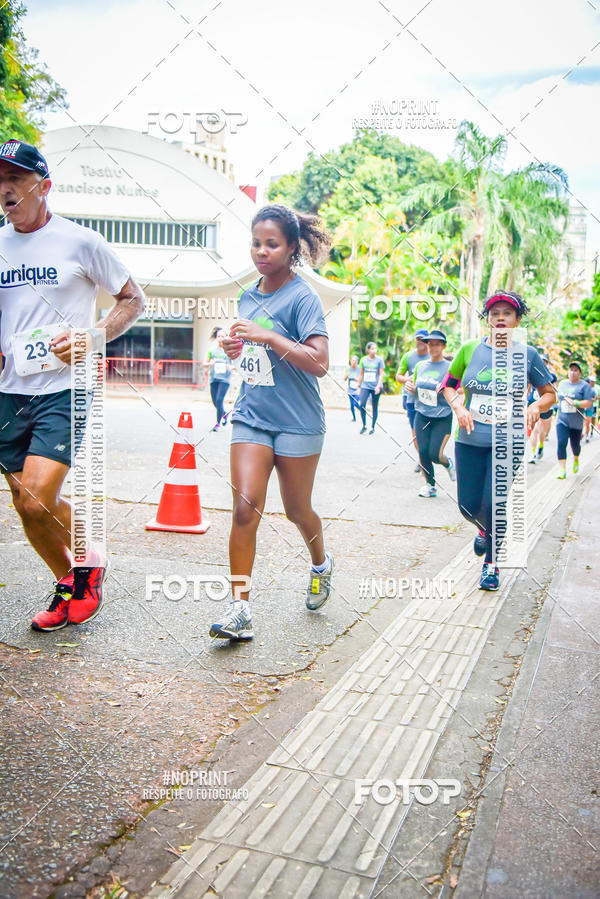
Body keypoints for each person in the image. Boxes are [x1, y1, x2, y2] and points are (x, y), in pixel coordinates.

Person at [0, 138, 145, 631]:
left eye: (14, 178)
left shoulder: (81, 242)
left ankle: (90, 557)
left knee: (38, 494)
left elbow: (132, 298)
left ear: (43, 186)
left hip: (65, 387)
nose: (4, 188)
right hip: (7, 389)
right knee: (25, 505)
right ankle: (73, 579)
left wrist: (94, 337)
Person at [209, 204, 332, 641]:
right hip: (252, 414)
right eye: (256, 243)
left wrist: (267, 336)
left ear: (292, 248)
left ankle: (320, 563)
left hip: (298, 421)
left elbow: (319, 363)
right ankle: (239, 609)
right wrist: (233, 346)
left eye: (272, 244)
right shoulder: (248, 295)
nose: (261, 251)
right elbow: (250, 354)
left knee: (298, 510)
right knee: (245, 508)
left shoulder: (303, 297)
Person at [443, 291, 554, 591]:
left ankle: (491, 564)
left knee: (495, 503)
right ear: (488, 321)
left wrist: (535, 406)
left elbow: (549, 393)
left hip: (509, 440)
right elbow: (448, 386)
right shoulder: (469, 350)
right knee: (468, 507)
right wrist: (458, 406)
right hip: (469, 438)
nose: (500, 318)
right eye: (494, 314)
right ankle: (483, 530)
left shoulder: (528, 354)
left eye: (507, 313)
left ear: (517, 320)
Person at [413, 330, 456, 498]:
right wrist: (411, 388)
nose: (433, 347)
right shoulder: (421, 366)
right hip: (422, 414)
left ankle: (448, 463)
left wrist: (446, 388)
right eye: (430, 344)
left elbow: (459, 389)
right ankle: (430, 485)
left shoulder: (450, 367)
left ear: (443, 346)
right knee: (423, 452)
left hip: (442, 416)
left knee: (435, 454)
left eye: (437, 344)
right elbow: (415, 386)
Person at [396, 329, 430, 470]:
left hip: (430, 401)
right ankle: (422, 459)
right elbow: (398, 376)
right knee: (416, 432)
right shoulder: (408, 357)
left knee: (428, 432)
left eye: (423, 338)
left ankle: (428, 456)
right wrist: (407, 379)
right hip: (412, 400)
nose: (420, 341)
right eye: (418, 338)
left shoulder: (433, 356)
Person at [555, 361, 594, 478]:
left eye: (575, 370)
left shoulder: (584, 386)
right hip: (562, 420)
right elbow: (557, 398)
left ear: (580, 373)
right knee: (561, 443)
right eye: (571, 370)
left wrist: (576, 403)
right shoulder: (562, 384)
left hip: (576, 423)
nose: (572, 372)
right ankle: (562, 469)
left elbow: (588, 402)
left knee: (575, 446)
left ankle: (576, 458)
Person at [529, 354, 557, 462]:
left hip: (546, 406)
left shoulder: (552, 376)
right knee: (534, 430)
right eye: (541, 361)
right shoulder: (531, 373)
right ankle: (532, 454)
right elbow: (527, 389)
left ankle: (540, 446)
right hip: (533, 404)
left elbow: (554, 392)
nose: (542, 363)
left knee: (542, 430)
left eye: (545, 362)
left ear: (547, 364)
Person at [205, 326, 232, 430]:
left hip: (225, 379)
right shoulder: (212, 351)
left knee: (219, 400)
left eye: (222, 336)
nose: (220, 338)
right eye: (218, 336)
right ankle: (224, 413)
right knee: (215, 401)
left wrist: (231, 367)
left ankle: (217, 424)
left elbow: (236, 365)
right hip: (214, 378)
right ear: (216, 338)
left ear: (226, 337)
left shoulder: (230, 350)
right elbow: (204, 363)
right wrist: (209, 363)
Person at [356, 341, 384, 434]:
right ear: (368, 350)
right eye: (372, 348)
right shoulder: (363, 360)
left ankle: (373, 427)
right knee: (361, 404)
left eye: (375, 348)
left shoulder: (379, 360)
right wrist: (358, 387)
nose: (374, 350)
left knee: (374, 407)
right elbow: (361, 374)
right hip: (365, 386)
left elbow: (381, 374)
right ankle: (364, 425)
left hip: (376, 387)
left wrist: (378, 386)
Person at [344, 354, 361, 421]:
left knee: (355, 403)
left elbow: (361, 378)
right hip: (350, 389)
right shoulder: (348, 368)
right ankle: (354, 418)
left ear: (357, 362)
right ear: (350, 361)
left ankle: (362, 411)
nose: (353, 362)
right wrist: (347, 375)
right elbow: (344, 379)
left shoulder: (359, 368)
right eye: (352, 360)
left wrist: (357, 379)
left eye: (355, 360)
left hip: (357, 389)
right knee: (351, 405)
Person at [584, 375, 597, 443]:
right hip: (582, 408)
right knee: (582, 422)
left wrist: (589, 399)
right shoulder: (581, 390)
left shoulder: (592, 391)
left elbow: (594, 398)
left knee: (588, 422)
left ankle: (587, 435)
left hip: (590, 408)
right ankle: (581, 434)